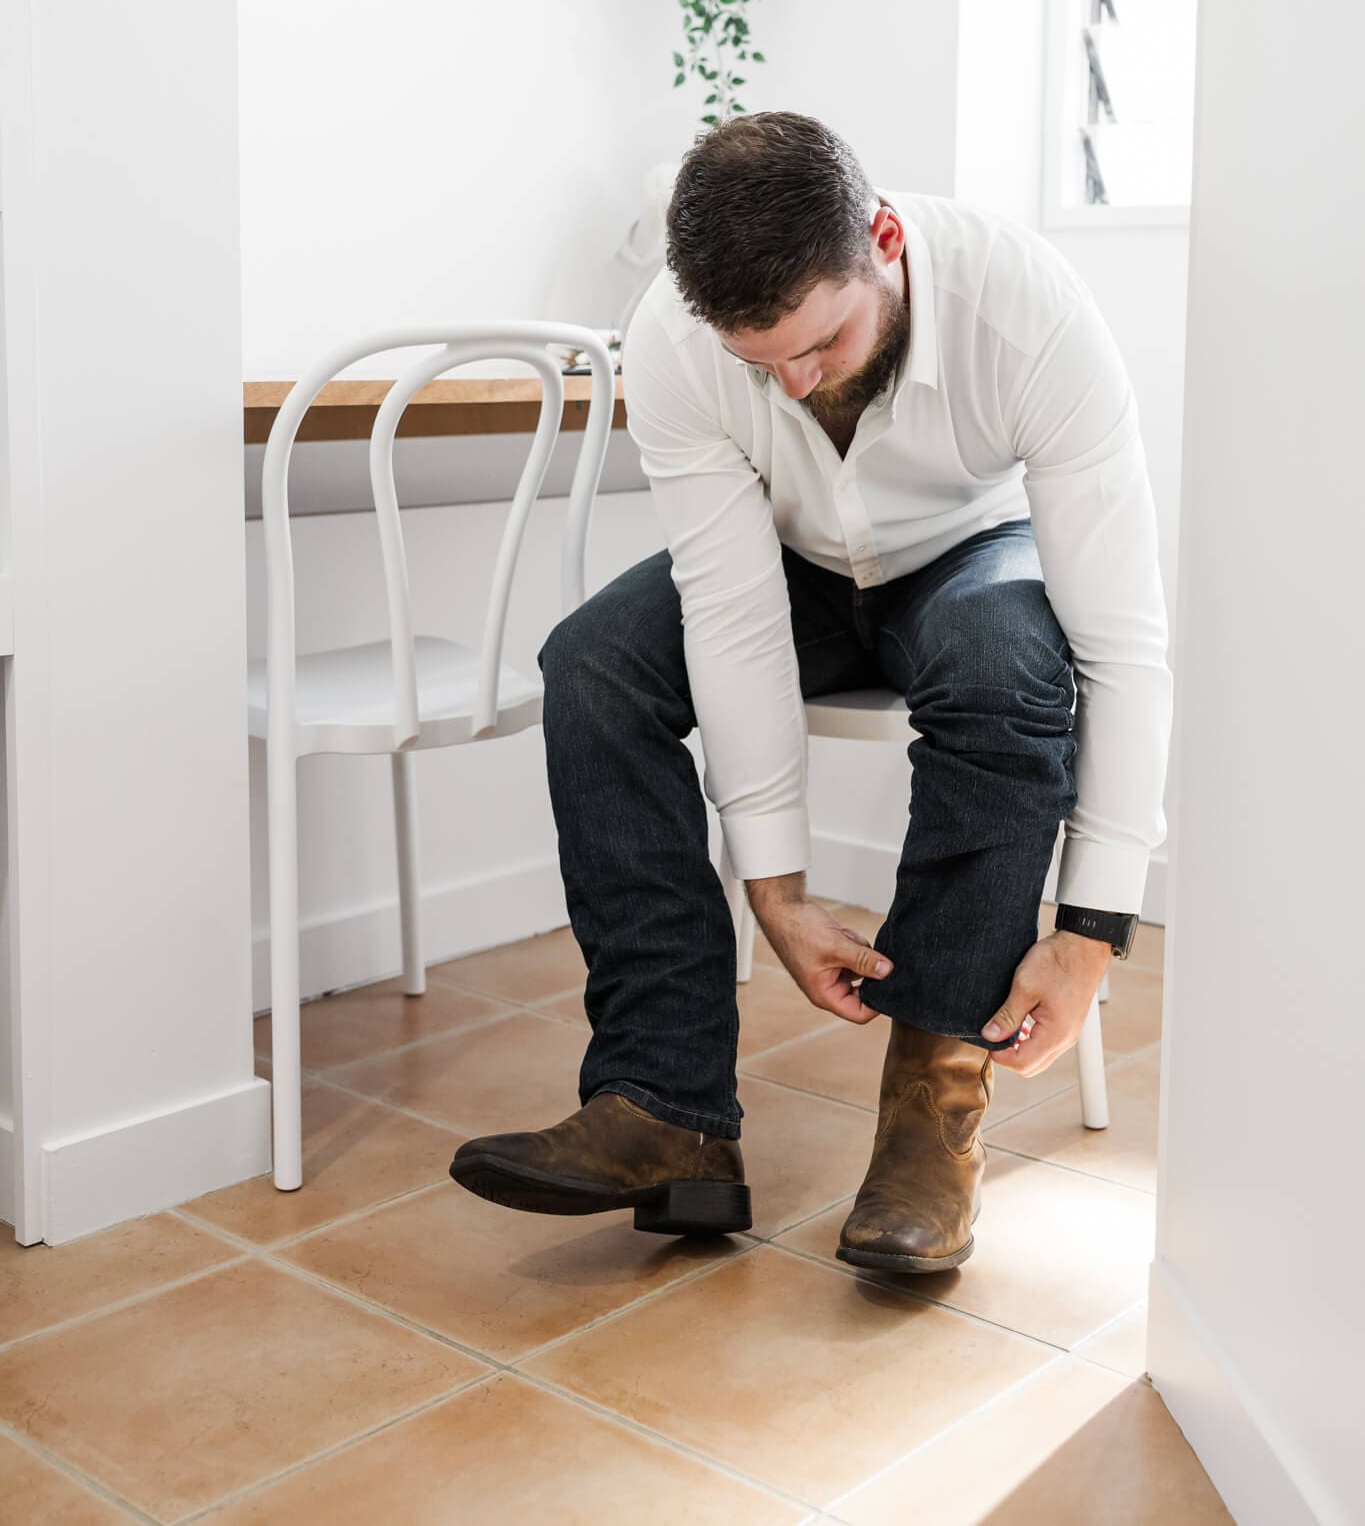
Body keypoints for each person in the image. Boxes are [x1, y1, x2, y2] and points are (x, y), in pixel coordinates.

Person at [450, 112, 1172, 1273]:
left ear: (881, 238)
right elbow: (733, 614)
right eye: (760, 360)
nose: (792, 381)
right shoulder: (679, 343)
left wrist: (1091, 927)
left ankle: (929, 1127)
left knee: (1004, 656)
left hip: (968, 557)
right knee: (593, 662)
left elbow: (1123, 642)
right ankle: (666, 1106)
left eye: (821, 343)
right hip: (796, 566)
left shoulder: (1026, 308)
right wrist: (774, 888)